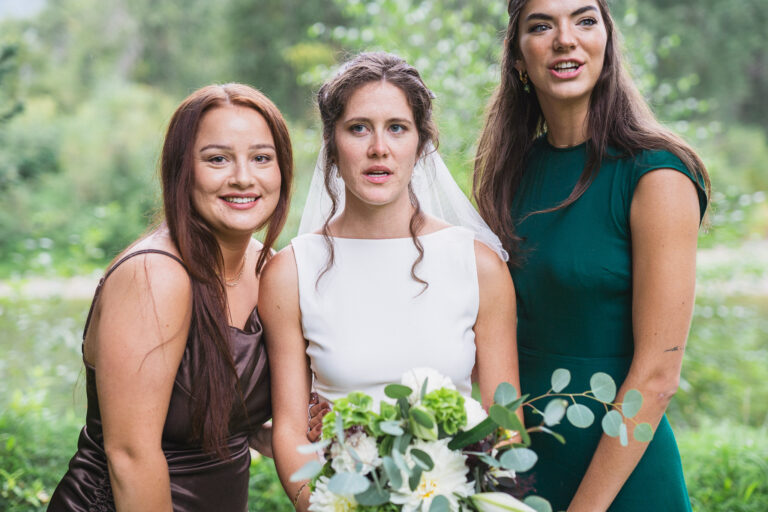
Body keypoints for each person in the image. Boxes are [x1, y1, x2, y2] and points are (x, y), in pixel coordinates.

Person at [472, 1, 710, 510]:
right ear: (518, 57)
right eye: (542, 26)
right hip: (520, 469)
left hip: (621, 478)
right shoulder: (508, 174)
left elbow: (658, 377)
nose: (566, 39)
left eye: (584, 20)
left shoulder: (657, 176)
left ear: (607, 40)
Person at [259, 52, 520, 511]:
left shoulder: (478, 265)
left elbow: (506, 421)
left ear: (421, 143)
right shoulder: (291, 271)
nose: (379, 147)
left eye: (397, 128)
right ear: (332, 143)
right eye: (359, 128)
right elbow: (290, 429)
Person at [48, 83, 293, 511]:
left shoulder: (269, 269)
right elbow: (130, 456)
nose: (243, 176)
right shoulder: (154, 274)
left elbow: (214, 420)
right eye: (217, 159)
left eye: (261, 158)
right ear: (182, 170)